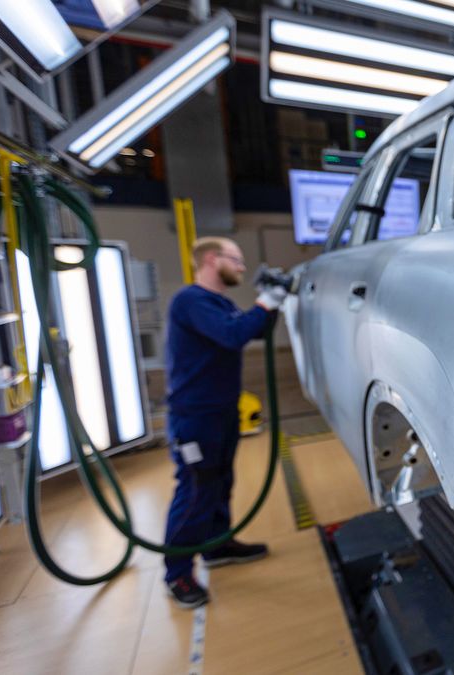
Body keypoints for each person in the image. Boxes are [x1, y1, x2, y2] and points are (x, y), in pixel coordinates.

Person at [162, 236, 287, 608]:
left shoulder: (218, 302)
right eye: (238, 259)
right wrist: (265, 302)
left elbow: (253, 329)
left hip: (220, 411)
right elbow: (233, 335)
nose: (243, 267)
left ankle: (217, 545)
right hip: (195, 417)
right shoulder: (190, 300)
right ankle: (178, 574)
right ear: (213, 259)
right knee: (197, 488)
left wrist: (271, 305)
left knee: (220, 483)